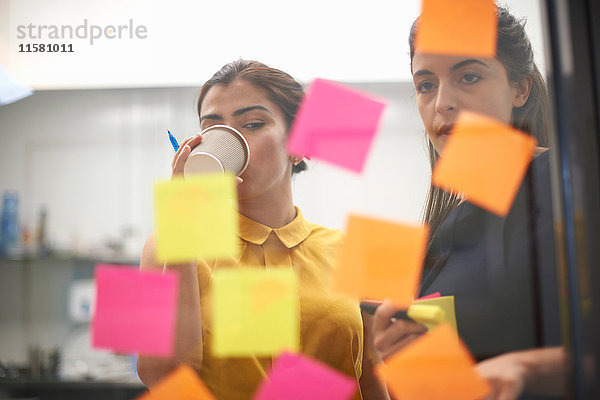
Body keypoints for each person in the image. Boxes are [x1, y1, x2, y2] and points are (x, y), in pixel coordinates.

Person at [137, 60, 388, 400]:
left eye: (252, 124)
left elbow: (373, 379)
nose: (229, 142)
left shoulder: (352, 251)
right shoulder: (165, 243)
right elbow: (162, 378)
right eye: (213, 130)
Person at [372, 6, 566, 400]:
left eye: (469, 76)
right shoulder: (445, 230)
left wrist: (529, 369)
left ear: (520, 88)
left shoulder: (567, 185)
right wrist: (406, 359)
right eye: (425, 84)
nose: (442, 102)